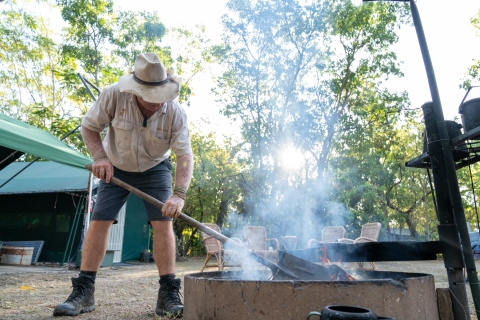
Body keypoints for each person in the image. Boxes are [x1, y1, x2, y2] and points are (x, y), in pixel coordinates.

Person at [53, 52, 194, 317]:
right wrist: (100, 157)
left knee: (163, 223)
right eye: (148, 96)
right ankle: (84, 291)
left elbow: (184, 155)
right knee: (99, 221)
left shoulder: (175, 112)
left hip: (155, 168)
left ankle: (168, 293)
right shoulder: (113, 95)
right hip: (114, 167)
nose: (155, 103)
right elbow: (88, 127)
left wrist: (179, 194)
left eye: (159, 96)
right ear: (135, 90)